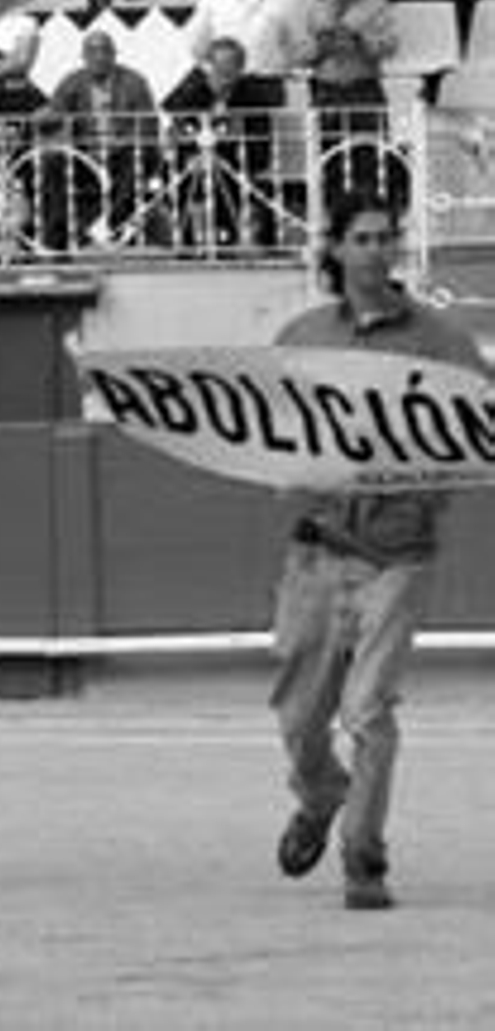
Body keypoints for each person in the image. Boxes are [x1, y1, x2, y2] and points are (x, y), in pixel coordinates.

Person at [270, 191, 486, 911]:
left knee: (367, 710)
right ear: (334, 248)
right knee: (300, 718)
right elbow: (268, 425)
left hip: (397, 551)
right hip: (317, 550)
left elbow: (476, 429)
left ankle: (365, 858)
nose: (377, 249)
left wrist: (428, 492)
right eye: (362, 237)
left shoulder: (440, 336)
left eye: (386, 236)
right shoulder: (302, 334)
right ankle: (322, 793)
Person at [296, 0, 400, 205]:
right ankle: (333, 218)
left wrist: (361, 41)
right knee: (328, 158)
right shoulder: (314, 6)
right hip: (326, 91)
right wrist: (320, 46)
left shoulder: (375, 4)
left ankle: (372, 214)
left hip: (363, 89)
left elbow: (390, 47)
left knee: (370, 157)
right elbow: (300, 54)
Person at [40, 30, 160, 249]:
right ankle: (58, 236)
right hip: (86, 155)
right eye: (92, 51)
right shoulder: (72, 82)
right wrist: (45, 118)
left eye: (105, 51)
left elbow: (148, 125)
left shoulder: (134, 81)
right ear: (83, 56)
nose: (99, 57)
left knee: (140, 157)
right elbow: (53, 118)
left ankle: (109, 226)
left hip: (122, 153)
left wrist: (125, 141)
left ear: (114, 55)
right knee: (52, 163)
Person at [162, 36, 284, 247]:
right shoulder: (192, 92)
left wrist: (224, 153)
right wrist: (193, 155)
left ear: (241, 67)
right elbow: (176, 130)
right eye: (220, 67)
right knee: (168, 179)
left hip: (237, 162)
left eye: (232, 67)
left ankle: (225, 239)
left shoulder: (253, 96)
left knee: (229, 179)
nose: (225, 74)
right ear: (209, 66)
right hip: (194, 162)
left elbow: (261, 141)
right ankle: (185, 241)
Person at [184, 0, 300, 97]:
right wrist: (215, 74)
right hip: (226, 86)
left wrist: (284, 71)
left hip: (268, 84)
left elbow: (295, 43)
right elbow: (196, 45)